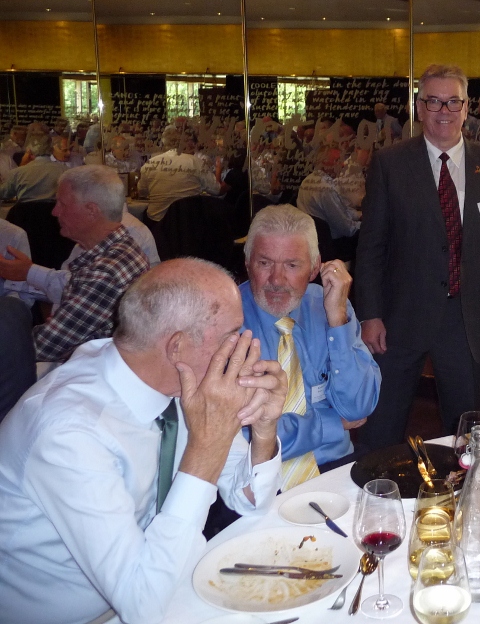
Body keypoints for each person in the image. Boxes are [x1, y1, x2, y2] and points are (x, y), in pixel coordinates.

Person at [0, 259, 286, 624]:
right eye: (232, 335)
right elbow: (143, 606)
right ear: (177, 347)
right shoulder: (68, 432)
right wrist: (207, 447)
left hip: (162, 581)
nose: (243, 347)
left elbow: (251, 500)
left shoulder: (176, 380)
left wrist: (264, 429)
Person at [355, 63, 480, 447]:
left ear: (466, 108)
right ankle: (377, 484)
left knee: (465, 436)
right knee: (380, 429)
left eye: (452, 102)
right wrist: (370, 314)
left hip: (467, 320)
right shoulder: (390, 165)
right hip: (398, 319)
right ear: (419, 107)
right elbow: (371, 247)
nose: (443, 111)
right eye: (433, 101)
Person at [241, 205, 380, 488]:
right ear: (247, 263)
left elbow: (359, 407)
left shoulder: (328, 304)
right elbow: (245, 435)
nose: (277, 280)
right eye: (265, 263)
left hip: (334, 467)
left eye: (292, 265)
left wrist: (337, 320)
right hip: (256, 483)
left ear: (315, 268)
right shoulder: (224, 319)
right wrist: (332, 424)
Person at [0, 165, 150, 363]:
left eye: (62, 204)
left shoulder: (107, 270)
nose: (54, 212)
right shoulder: (118, 247)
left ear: (91, 211)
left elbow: (44, 346)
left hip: (91, 371)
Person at [136, 128, 224, 222]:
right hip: (189, 222)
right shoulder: (195, 162)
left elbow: (142, 192)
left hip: (158, 223)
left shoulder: (150, 163)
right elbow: (217, 190)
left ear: (164, 143)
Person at [0, 133, 67, 202]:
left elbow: (3, 194)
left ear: (28, 151)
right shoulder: (65, 171)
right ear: (52, 150)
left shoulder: (17, 173)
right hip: (54, 209)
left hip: (24, 208)